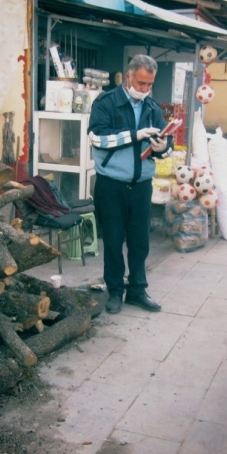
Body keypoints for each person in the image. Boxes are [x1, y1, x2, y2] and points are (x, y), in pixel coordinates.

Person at [88, 54, 173, 314]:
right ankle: (115, 291)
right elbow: (97, 138)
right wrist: (136, 135)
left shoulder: (152, 108)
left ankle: (137, 289)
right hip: (111, 184)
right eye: (140, 83)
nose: (145, 89)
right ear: (128, 77)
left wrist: (162, 147)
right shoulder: (106, 102)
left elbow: (166, 149)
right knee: (113, 241)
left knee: (139, 242)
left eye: (149, 84)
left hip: (141, 186)